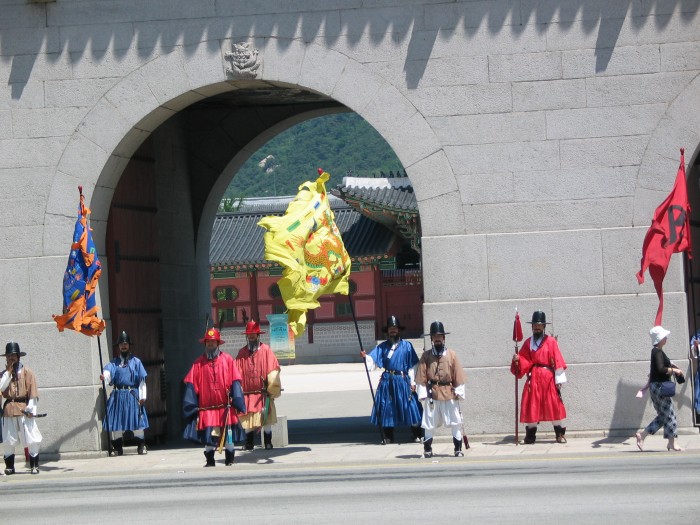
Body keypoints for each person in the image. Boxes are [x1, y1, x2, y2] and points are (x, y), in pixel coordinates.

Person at [183, 327, 246, 466]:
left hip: (225, 408)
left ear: (218, 343)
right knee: (208, 436)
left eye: (213, 342)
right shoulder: (198, 363)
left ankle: (229, 459)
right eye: (208, 342)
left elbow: (235, 381)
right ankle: (210, 460)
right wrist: (192, 407)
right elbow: (191, 385)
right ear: (205, 344)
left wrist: (237, 401)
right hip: (207, 409)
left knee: (229, 437)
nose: (210, 345)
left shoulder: (227, 360)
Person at [360, 315, 422, 444]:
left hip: (403, 379)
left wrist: (413, 383)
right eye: (390, 328)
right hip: (387, 381)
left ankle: (417, 434)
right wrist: (366, 357)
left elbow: (412, 366)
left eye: (395, 328)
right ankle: (388, 436)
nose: (393, 330)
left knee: (410, 406)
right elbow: (373, 362)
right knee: (387, 408)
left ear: (399, 330)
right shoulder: (382, 347)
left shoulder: (407, 346)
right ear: (387, 331)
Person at [511, 310, 568, 444]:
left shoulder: (551, 341)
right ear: (532, 326)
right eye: (535, 325)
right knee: (532, 404)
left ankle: (559, 433)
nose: (537, 327)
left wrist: (559, 379)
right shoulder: (528, 343)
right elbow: (524, 360)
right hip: (534, 378)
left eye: (540, 325)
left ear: (544, 327)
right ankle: (530, 435)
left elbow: (557, 359)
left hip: (548, 378)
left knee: (553, 404)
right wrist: (517, 360)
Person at [415, 321, 466, 458]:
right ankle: (427, 449)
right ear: (431, 338)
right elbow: (421, 375)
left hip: (449, 392)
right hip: (433, 393)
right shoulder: (426, 356)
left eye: (439, 336)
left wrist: (459, 391)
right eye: (434, 336)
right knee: (428, 422)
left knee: (456, 421)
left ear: (444, 338)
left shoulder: (452, 355)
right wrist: (423, 393)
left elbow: (458, 375)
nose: (437, 339)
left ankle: (458, 448)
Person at [636, 326, 685, 452]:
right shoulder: (657, 352)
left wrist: (671, 365)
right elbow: (661, 369)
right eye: (664, 336)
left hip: (656, 386)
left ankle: (642, 435)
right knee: (670, 414)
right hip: (659, 387)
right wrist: (675, 370)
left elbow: (659, 368)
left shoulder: (657, 352)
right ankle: (672, 443)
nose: (666, 338)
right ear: (660, 338)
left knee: (663, 416)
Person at [100, 330, 149, 456]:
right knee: (116, 422)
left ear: (129, 345)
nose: (123, 346)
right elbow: (108, 373)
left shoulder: (136, 362)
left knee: (137, 421)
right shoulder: (114, 362)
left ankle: (141, 446)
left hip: (132, 394)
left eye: (125, 344)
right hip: (117, 395)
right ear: (119, 346)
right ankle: (117, 448)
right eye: (121, 344)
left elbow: (142, 380)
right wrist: (104, 376)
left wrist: (143, 396)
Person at [235, 321, 282, 451]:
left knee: (266, 421)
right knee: (248, 421)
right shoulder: (242, 353)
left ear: (258, 335)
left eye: (253, 334)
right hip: (248, 394)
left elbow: (273, 368)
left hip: (263, 394)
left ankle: (268, 442)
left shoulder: (266, 350)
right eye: (249, 334)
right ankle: (249, 443)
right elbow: (236, 371)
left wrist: (272, 386)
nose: (251, 336)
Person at [0, 342, 42, 475]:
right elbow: (1, 389)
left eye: (13, 355)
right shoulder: (3, 374)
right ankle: (10, 466)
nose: (10, 358)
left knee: (31, 437)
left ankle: (34, 465)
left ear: (18, 356)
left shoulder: (27, 372)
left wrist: (31, 409)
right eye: (8, 356)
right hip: (9, 409)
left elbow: (33, 393)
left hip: (24, 408)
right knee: (8, 439)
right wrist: (8, 373)